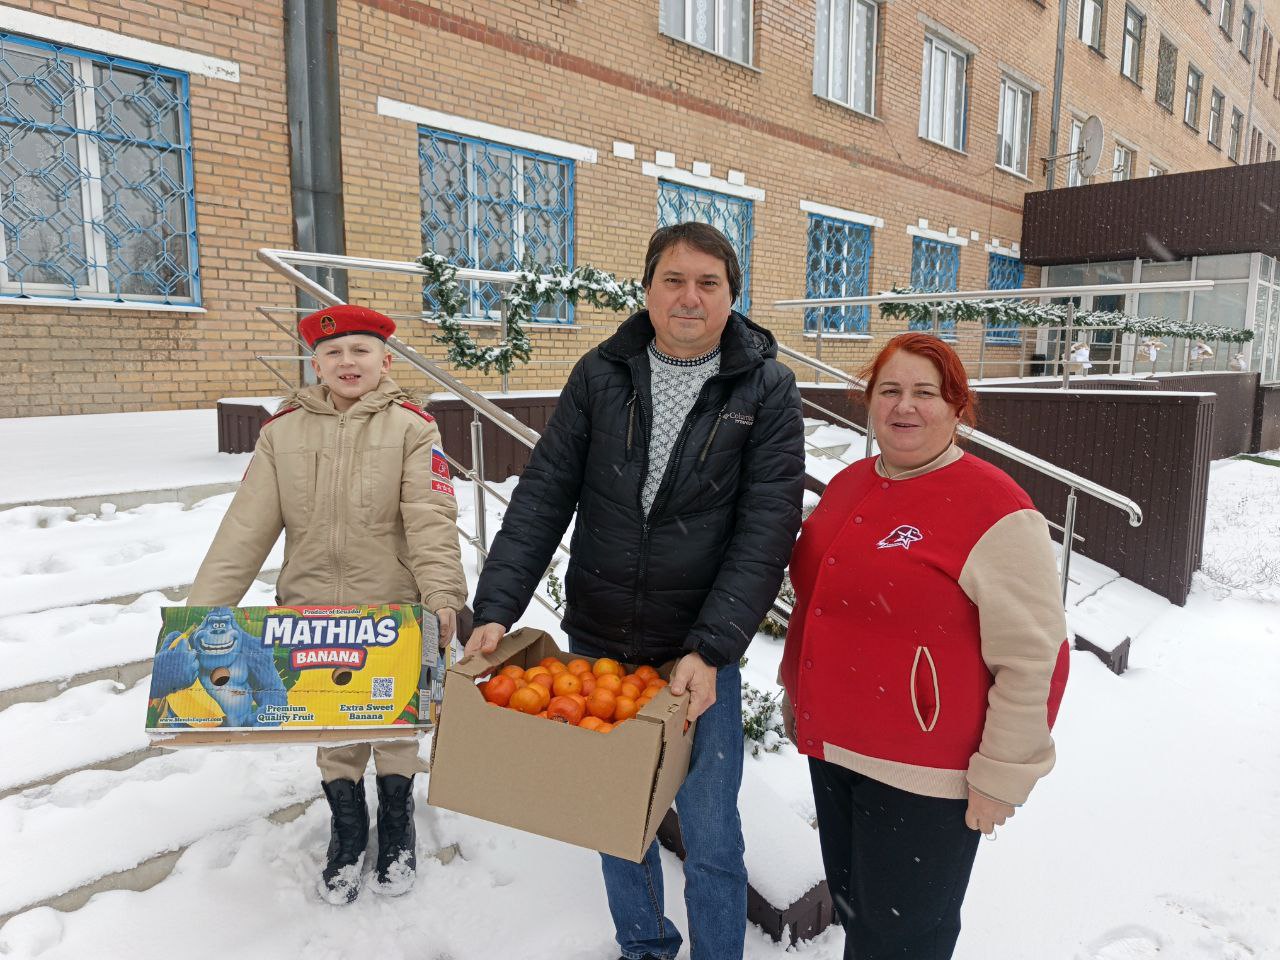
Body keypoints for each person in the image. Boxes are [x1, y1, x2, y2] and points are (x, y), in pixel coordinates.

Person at [465, 222, 805, 960]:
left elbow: (765, 530)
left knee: (712, 834)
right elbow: (545, 494)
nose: (689, 297)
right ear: (647, 290)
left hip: (697, 658)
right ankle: (645, 945)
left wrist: (712, 650)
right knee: (614, 820)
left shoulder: (767, 388)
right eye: (673, 281)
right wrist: (496, 608)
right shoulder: (602, 372)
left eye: (708, 283)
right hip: (601, 643)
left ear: (732, 297)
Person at [780, 332, 1069, 960]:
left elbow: (1035, 656)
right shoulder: (851, 484)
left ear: (957, 407)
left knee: (903, 940)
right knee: (860, 916)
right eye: (889, 391)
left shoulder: (994, 506)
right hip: (833, 750)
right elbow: (818, 602)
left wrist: (1004, 774)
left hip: (926, 776)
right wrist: (795, 692)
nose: (903, 406)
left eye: (924, 393)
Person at [187, 304, 467, 905]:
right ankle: (346, 830)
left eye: (361, 351)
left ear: (385, 360)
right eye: (333, 353)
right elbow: (244, 529)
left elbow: (430, 518)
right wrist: (203, 612)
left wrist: (443, 595)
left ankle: (396, 826)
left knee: (396, 724)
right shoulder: (280, 433)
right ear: (315, 363)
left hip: (392, 608)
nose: (347, 362)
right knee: (334, 726)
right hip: (312, 611)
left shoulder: (414, 429)